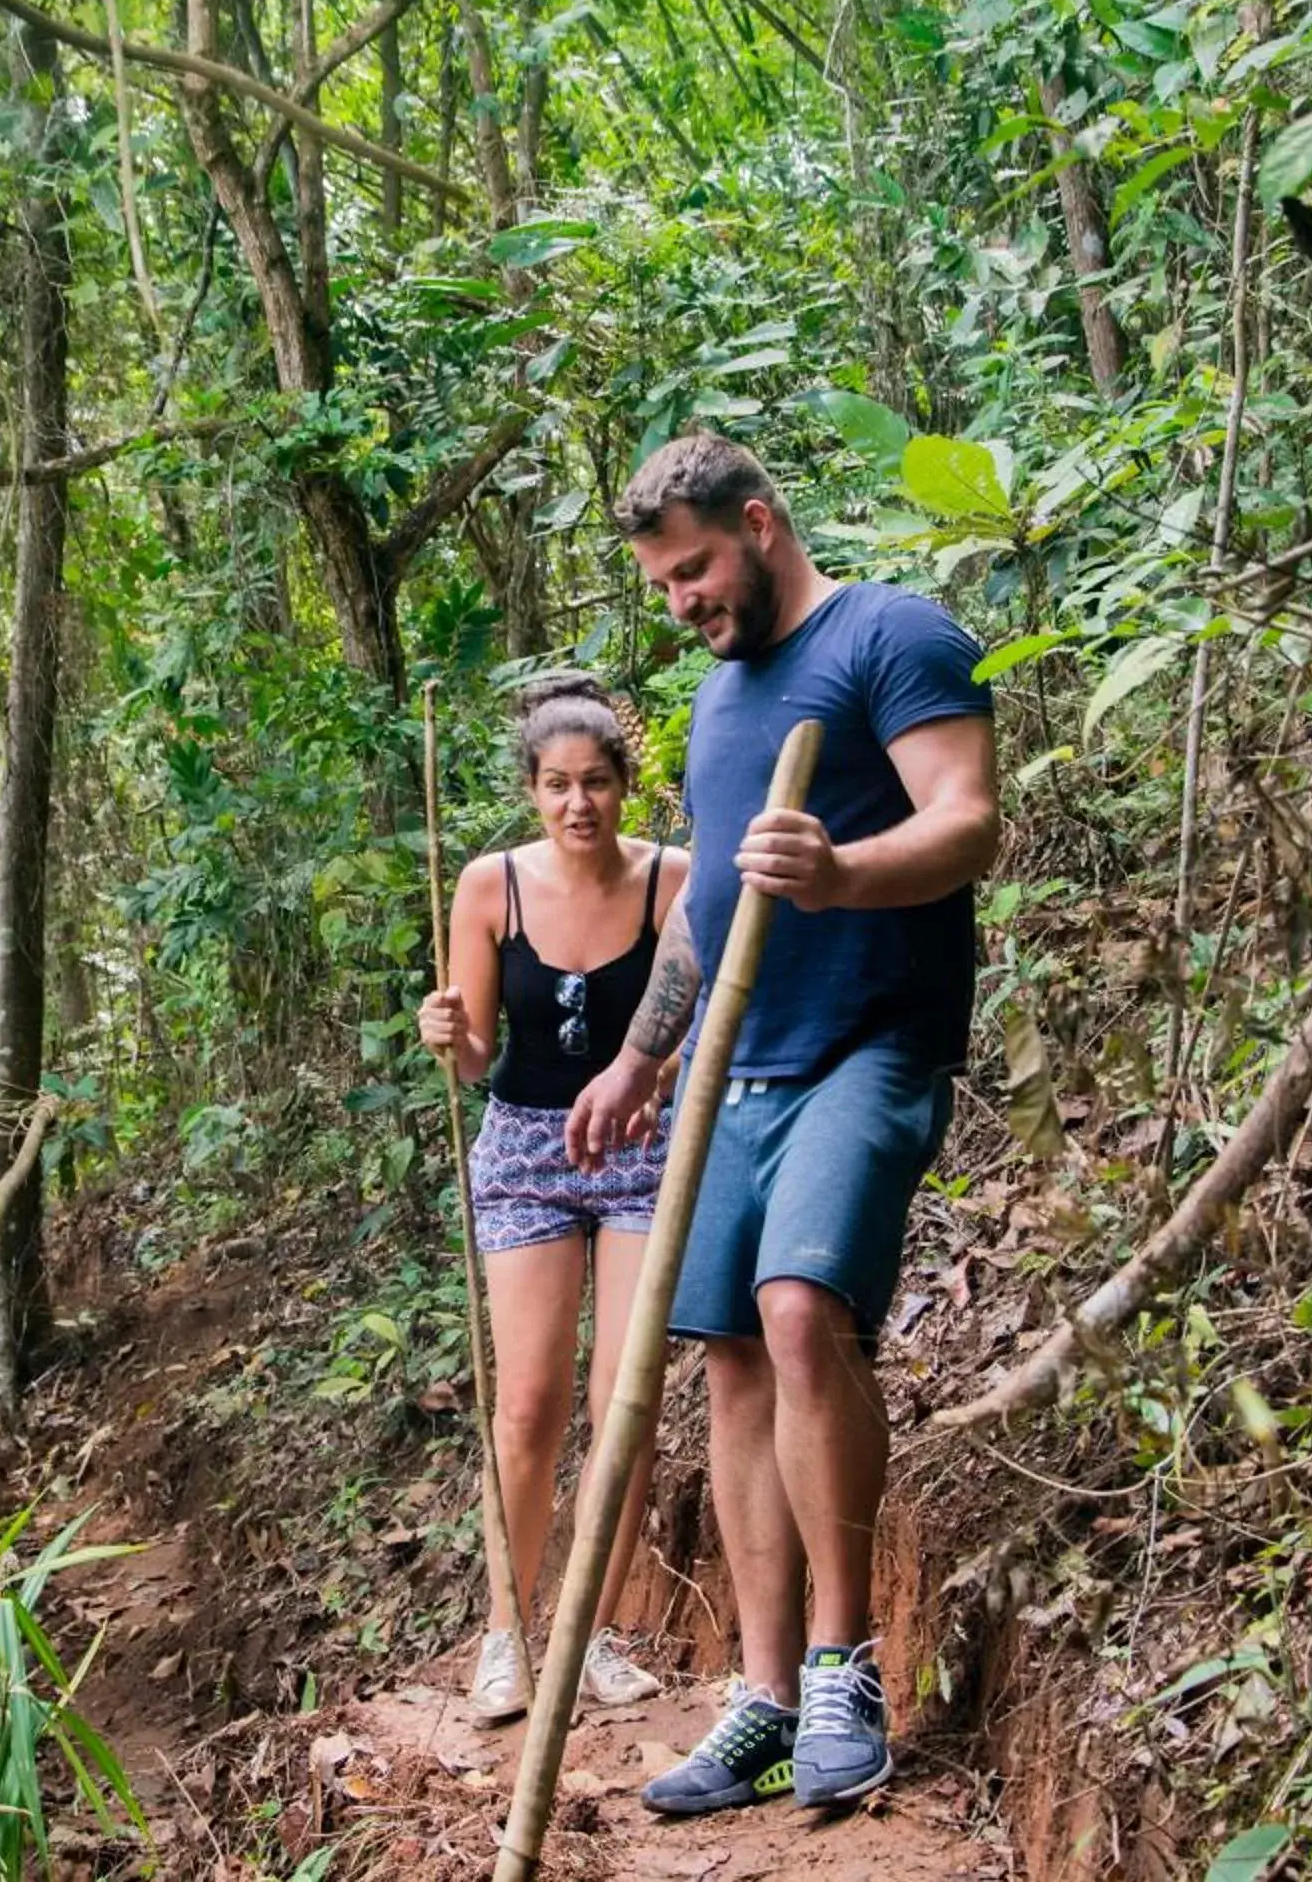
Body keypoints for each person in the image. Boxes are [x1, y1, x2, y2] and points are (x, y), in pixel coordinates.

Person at [565, 434, 1000, 1814]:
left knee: (805, 1305)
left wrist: (842, 870)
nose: (681, 600)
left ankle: (841, 1666)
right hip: (735, 1072)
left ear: (757, 523)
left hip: (873, 1045)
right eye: (662, 583)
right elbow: (707, 914)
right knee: (732, 1359)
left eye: (693, 568)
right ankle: (758, 1700)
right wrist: (642, 1056)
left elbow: (970, 823)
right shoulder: (714, 702)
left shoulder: (894, 634)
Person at [418, 673, 688, 1724]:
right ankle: (504, 1635)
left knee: (625, 1406)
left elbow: (687, 1037)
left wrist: (647, 1086)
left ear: (628, 786)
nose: (579, 803)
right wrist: (449, 1039)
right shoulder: (490, 886)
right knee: (527, 1405)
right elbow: (480, 1051)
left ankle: (597, 1631)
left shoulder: (676, 881)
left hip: (638, 1151)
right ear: (533, 791)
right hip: (526, 1150)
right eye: (558, 785)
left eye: (598, 782)